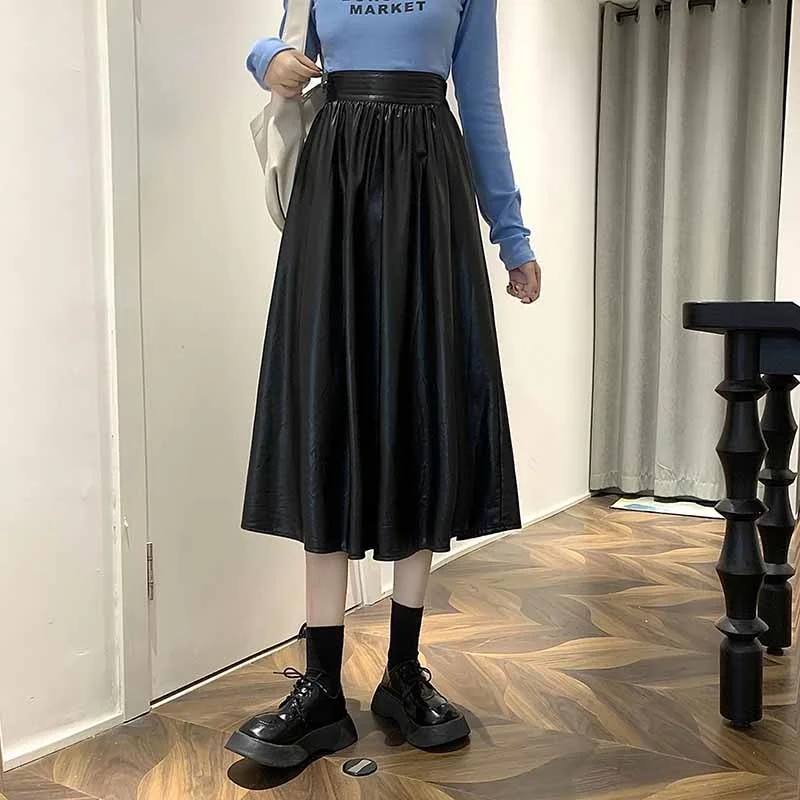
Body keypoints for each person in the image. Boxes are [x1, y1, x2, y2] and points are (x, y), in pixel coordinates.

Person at [225, 0, 541, 770]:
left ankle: (403, 672)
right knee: (326, 410)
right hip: (333, 189)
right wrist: (265, 58)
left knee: (420, 408)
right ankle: (321, 689)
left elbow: (481, 102)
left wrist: (512, 235)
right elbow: (280, 48)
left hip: (428, 187)